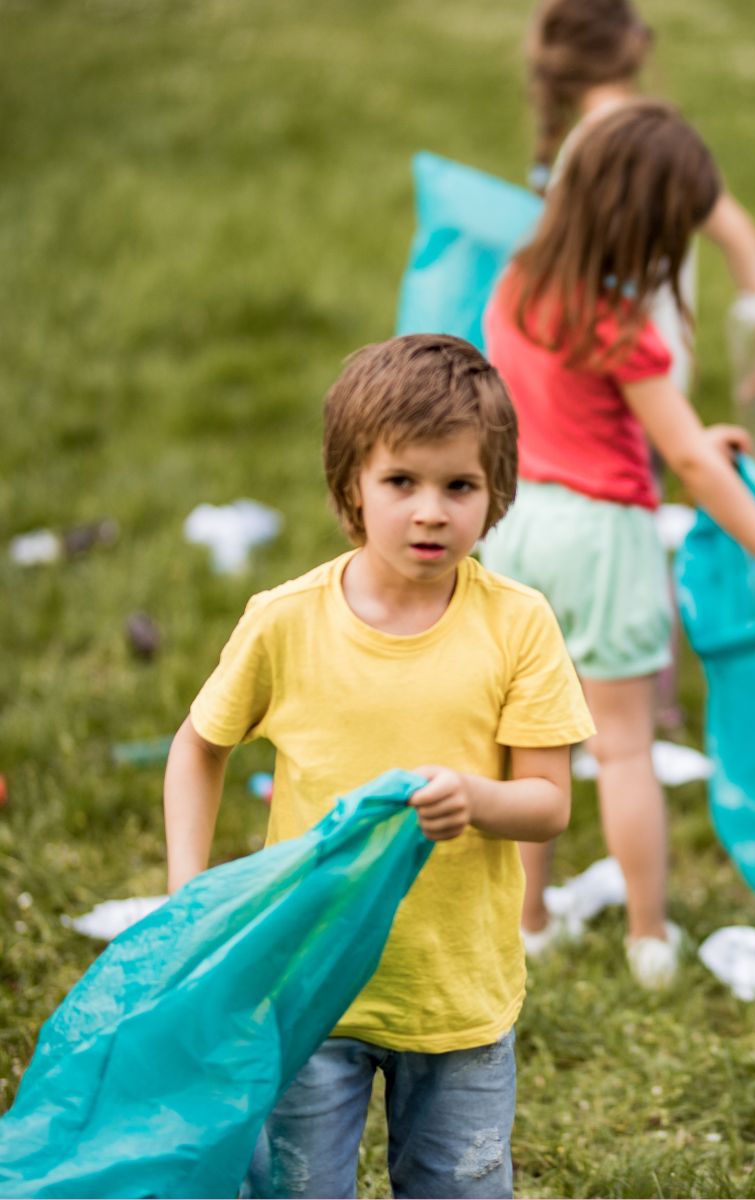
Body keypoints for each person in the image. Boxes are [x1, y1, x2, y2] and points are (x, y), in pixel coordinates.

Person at [163, 334, 596, 1198]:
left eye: (459, 485)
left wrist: (476, 799)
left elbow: (549, 803)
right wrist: (188, 897)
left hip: (456, 992)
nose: (430, 511)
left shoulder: (518, 625)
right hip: (308, 988)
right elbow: (198, 748)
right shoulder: (285, 622)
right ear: (350, 485)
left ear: (496, 493)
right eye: (402, 482)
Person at [480, 99, 755, 988]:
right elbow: (682, 462)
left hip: (516, 530)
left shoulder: (515, 283)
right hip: (605, 539)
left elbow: (578, 418)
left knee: (533, 743)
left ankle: (529, 922)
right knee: (624, 748)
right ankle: (648, 940)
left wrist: (693, 440)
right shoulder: (621, 325)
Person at [525, 0, 755, 421]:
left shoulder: (585, 151)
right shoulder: (656, 144)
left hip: (590, 382)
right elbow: (738, 233)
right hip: (652, 373)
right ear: (636, 45)